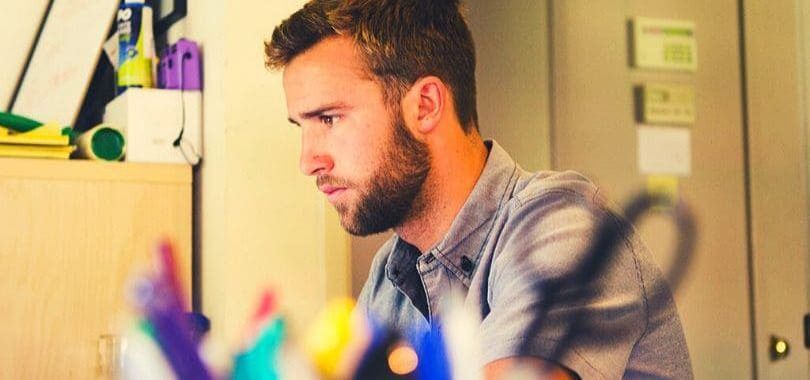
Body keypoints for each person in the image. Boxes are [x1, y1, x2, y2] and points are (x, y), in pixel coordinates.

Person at [265, 0, 692, 378]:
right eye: (301, 126)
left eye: (329, 119)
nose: (308, 161)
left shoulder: (565, 226)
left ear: (425, 105)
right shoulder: (389, 277)